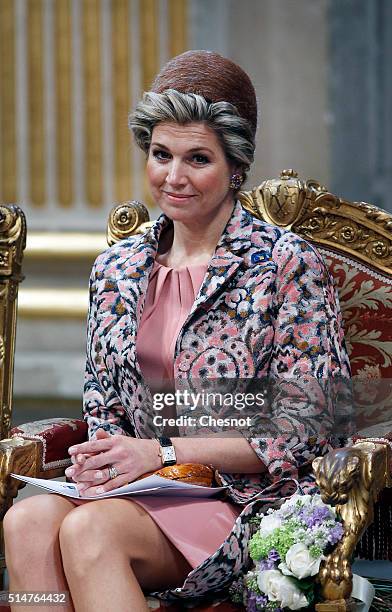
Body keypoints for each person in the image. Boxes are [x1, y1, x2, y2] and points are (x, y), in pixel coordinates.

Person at [3, 50, 351, 612]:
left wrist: (161, 451)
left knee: (90, 532)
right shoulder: (115, 269)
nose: (174, 177)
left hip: (244, 500)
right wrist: (106, 460)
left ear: (236, 166)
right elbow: (105, 407)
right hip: (138, 490)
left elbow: (306, 426)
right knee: (27, 520)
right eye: (161, 155)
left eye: (198, 159)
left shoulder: (284, 264)